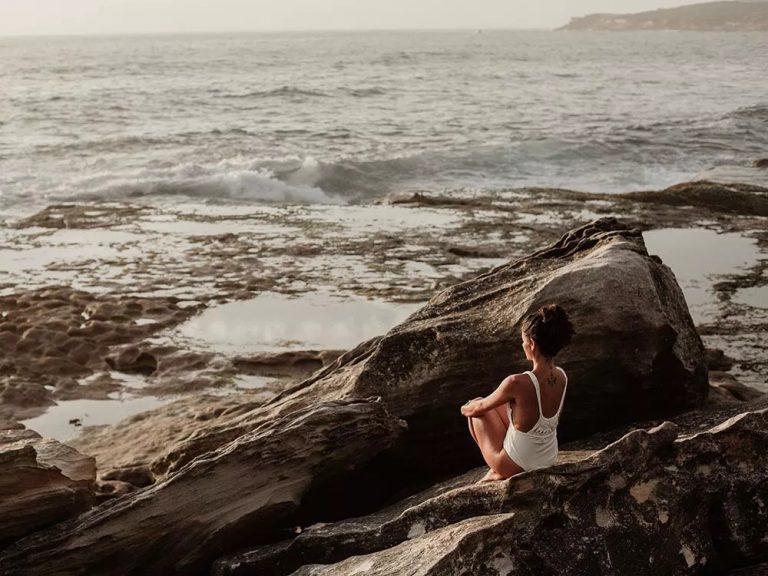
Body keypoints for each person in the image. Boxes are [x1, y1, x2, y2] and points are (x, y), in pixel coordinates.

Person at [461, 304, 575, 483]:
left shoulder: (516, 383)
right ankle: (503, 465)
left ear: (532, 343)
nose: (522, 345)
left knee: (476, 408)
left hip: (516, 465)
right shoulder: (562, 376)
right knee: (504, 409)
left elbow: (479, 408)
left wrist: (464, 408)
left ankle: (498, 471)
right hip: (547, 459)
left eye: (523, 340)